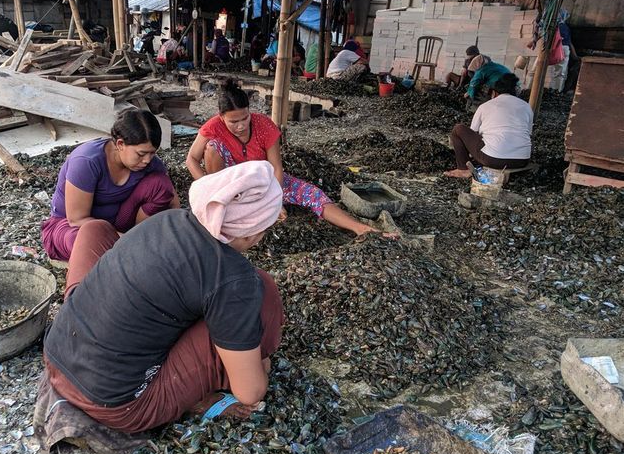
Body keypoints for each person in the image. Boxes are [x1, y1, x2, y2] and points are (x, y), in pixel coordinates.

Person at [40, 161, 286, 432]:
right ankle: (204, 390)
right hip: (120, 405)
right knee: (263, 291)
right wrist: (260, 366)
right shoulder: (234, 279)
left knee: (94, 230)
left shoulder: (168, 219)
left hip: (57, 353)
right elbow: (249, 393)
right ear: (255, 232)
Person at [186, 80, 393, 237]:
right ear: (221, 117)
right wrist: (208, 186)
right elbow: (192, 160)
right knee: (212, 148)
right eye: (233, 122)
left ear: (250, 112)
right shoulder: (213, 126)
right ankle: (222, 204)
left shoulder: (264, 126)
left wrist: (274, 201)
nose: (240, 126)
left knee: (314, 194)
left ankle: (361, 228)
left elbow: (276, 168)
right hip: (231, 186)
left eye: (244, 118)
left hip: (264, 181)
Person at [41, 110, 177, 261]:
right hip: (71, 227)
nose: (147, 160)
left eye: (152, 153)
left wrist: (178, 233)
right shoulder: (87, 161)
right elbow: (76, 219)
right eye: (141, 154)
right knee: (84, 243)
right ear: (120, 144)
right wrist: (124, 239)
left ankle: (134, 241)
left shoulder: (149, 163)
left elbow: (172, 198)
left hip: (118, 223)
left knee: (160, 185)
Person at [444, 73, 532, 178]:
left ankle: (463, 169)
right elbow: (528, 133)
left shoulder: (485, 106)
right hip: (522, 160)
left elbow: (473, 132)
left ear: (494, 93)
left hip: (494, 160)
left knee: (458, 129)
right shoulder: (527, 107)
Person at [550, 9, 578, 92]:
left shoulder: (556, 27)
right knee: (562, 72)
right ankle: (559, 90)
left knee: (557, 72)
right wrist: (575, 56)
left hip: (558, 49)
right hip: (564, 50)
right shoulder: (564, 27)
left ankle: (555, 90)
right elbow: (569, 43)